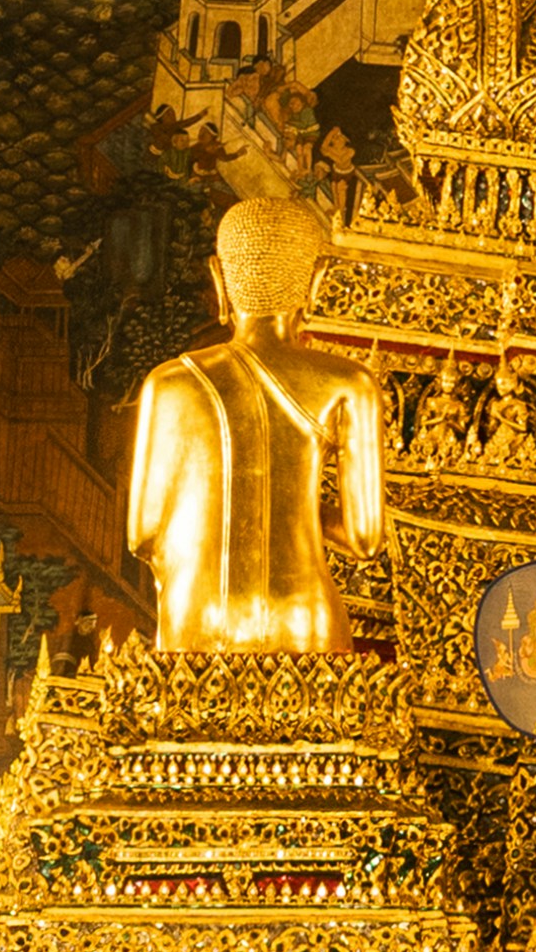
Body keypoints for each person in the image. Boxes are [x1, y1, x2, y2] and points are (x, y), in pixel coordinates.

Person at [124, 194, 385, 654]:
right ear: (316, 281)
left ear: (218, 279)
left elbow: (142, 535)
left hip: (196, 618)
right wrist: (294, 502)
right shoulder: (350, 383)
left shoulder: (166, 384)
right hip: (303, 619)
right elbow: (364, 539)